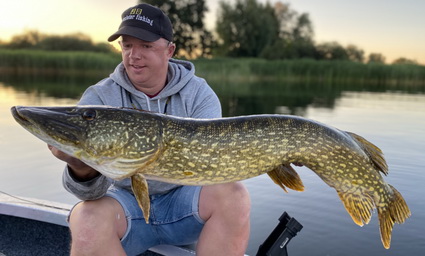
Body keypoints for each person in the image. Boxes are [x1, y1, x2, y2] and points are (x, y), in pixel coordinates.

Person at [48, 3, 251, 256]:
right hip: (125, 206)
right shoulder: (99, 98)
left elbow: (210, 171)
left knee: (234, 195)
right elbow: (89, 193)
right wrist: (79, 166)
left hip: (184, 207)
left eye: (146, 45)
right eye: (127, 45)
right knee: (85, 218)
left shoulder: (199, 95)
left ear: (169, 50)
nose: (134, 55)